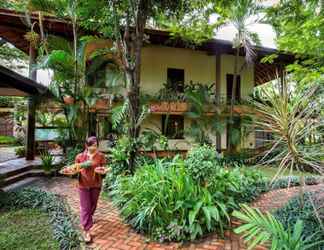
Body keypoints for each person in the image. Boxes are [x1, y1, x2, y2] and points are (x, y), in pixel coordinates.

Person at [75, 136, 107, 243]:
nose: (94, 147)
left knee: (93, 205)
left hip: (96, 185)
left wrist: (103, 171)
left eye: (95, 145)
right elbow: (75, 169)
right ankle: (87, 230)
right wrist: (74, 171)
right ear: (86, 145)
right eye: (92, 145)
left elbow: (104, 168)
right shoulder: (79, 157)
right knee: (85, 207)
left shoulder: (101, 156)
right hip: (83, 185)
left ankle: (90, 217)